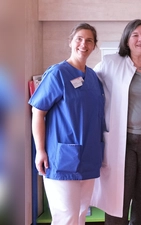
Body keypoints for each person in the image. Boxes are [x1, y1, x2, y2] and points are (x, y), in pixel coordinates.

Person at [90, 19, 141, 225]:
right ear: (126, 40)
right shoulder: (110, 63)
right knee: (119, 195)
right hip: (121, 141)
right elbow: (90, 90)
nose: (140, 39)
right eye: (135, 35)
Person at [29, 23, 105, 225]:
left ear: (94, 46)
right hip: (62, 158)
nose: (84, 44)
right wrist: (40, 150)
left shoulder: (93, 79)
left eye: (89, 40)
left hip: (88, 156)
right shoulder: (58, 73)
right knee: (66, 217)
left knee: (80, 214)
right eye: (79, 39)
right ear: (70, 42)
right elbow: (37, 111)